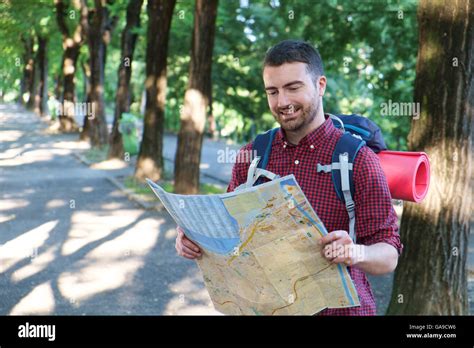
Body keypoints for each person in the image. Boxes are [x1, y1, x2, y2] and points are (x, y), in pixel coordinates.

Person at [175, 39, 403, 315]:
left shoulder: (358, 159)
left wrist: (356, 252)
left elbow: (389, 254)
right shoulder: (252, 156)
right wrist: (195, 238)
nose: (282, 102)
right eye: (272, 91)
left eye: (293, 88)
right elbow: (231, 232)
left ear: (320, 85)